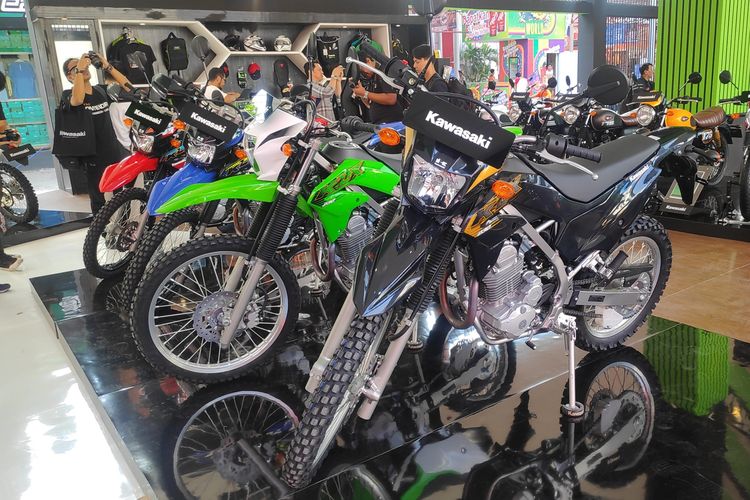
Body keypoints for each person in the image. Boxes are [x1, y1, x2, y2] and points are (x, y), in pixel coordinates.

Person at [62, 53, 131, 214]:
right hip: (92, 156)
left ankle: (123, 226)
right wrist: (80, 69)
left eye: (85, 64)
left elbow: (128, 87)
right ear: (70, 76)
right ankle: (100, 227)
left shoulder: (101, 90)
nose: (84, 67)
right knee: (98, 198)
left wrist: (107, 66)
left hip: (113, 151)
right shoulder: (68, 95)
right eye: (76, 66)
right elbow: (78, 100)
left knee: (121, 196)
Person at [353, 55, 404, 124]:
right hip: (379, 122)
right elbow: (371, 103)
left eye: (362, 69)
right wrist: (362, 95)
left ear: (368, 61)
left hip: (390, 121)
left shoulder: (383, 73)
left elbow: (391, 99)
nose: (363, 73)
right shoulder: (372, 77)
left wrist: (365, 93)